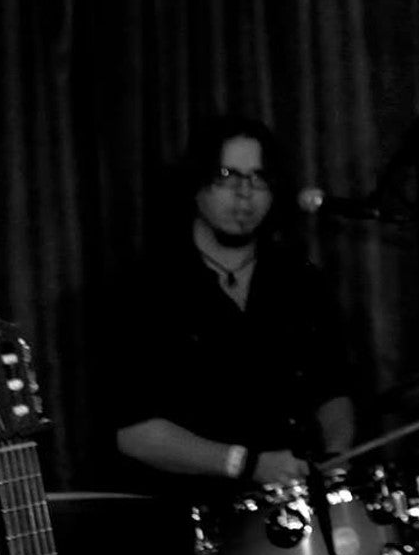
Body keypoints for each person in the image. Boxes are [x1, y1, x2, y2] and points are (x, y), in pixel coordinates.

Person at [109, 114, 357, 498]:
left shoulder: (300, 279)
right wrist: (248, 464)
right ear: (196, 186)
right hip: (195, 509)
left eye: (259, 178)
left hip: (299, 503)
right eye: (227, 176)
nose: (245, 193)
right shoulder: (145, 288)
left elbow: (332, 390)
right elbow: (134, 432)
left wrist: (335, 454)